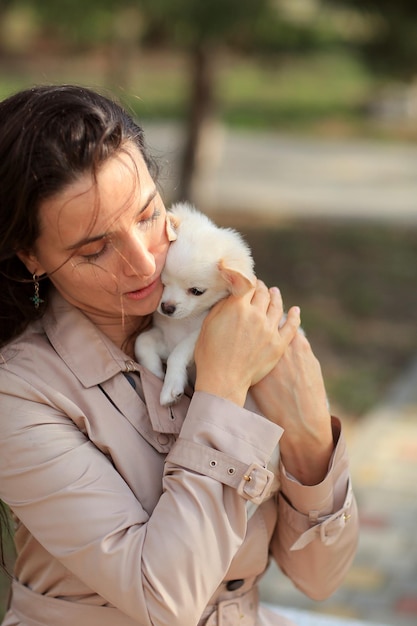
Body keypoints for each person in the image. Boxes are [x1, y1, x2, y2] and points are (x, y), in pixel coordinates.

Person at [0, 85, 358, 626]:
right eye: (95, 249)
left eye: (148, 215)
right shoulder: (18, 396)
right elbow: (163, 599)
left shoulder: (213, 302)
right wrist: (223, 390)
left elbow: (320, 577)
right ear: (32, 257)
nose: (144, 263)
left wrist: (309, 432)